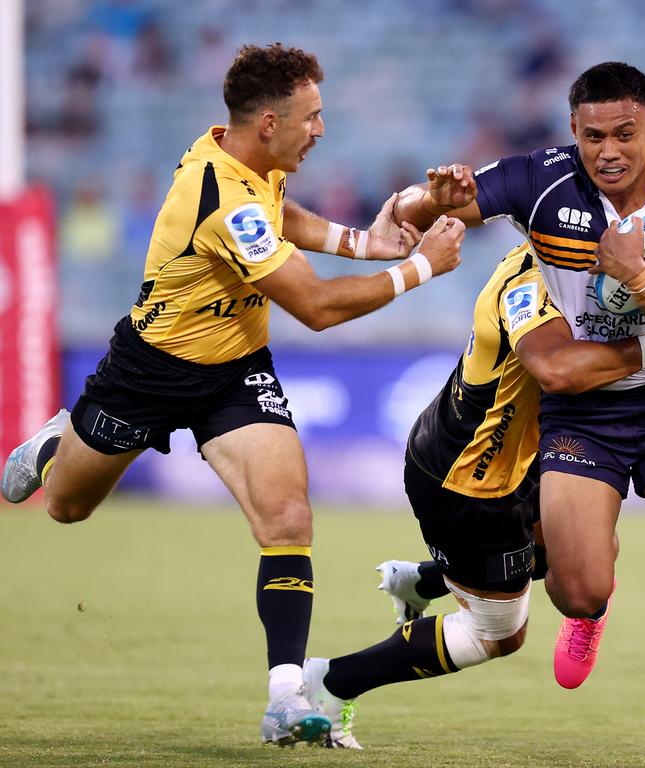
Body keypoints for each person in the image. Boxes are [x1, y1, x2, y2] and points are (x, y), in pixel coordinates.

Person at [0, 43, 465, 747]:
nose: (322, 129)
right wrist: (419, 269)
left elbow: (283, 213)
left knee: (286, 517)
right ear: (271, 122)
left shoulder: (252, 162)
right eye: (312, 116)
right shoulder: (221, 197)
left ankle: (284, 698)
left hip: (235, 370)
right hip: (148, 372)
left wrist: (366, 244)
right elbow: (314, 307)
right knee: (66, 506)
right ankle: (62, 438)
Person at [392, 62, 645, 768]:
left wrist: (636, 276)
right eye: (594, 135)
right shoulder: (538, 180)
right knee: (577, 592)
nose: (609, 151)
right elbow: (415, 216)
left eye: (625, 135)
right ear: (573, 131)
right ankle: (593, 608)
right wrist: (429, 202)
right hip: (579, 417)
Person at [301, 241, 645, 748]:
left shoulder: (581, 259)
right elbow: (561, 370)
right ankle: (332, 681)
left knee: (570, 546)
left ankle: (425, 581)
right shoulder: (532, 282)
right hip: (470, 480)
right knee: (497, 635)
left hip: (522, 456)